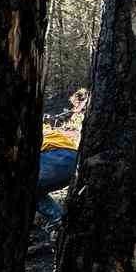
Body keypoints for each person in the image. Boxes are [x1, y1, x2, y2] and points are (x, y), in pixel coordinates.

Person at [35, 88, 88, 227]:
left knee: (22, 186)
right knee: (32, 192)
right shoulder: (42, 127)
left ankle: (57, 220)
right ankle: (60, 222)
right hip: (73, 159)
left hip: (56, 157)